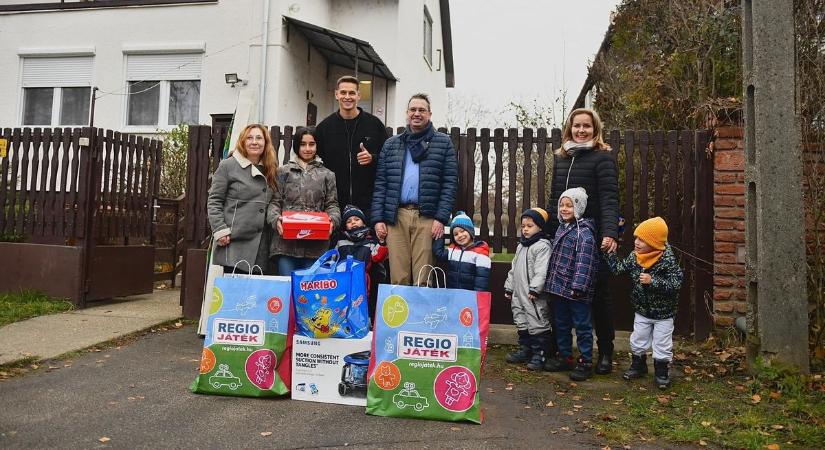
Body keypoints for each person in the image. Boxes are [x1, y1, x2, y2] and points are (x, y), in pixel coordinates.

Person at [545, 107, 620, 375]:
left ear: (595, 129)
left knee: (599, 297)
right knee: (560, 296)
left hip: (590, 240)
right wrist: (549, 231)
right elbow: (555, 199)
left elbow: (610, 198)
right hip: (564, 239)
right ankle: (562, 352)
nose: (581, 130)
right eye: (576, 126)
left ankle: (605, 353)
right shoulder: (562, 158)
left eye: (586, 126)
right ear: (569, 128)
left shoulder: (603, 158)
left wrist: (609, 232)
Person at [371, 93, 458, 286]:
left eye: (421, 110)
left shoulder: (443, 143)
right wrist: (378, 220)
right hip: (396, 217)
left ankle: (422, 317)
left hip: (427, 217)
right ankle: (401, 317)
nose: (416, 113)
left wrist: (440, 218)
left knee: (423, 276)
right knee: (398, 277)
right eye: (413, 109)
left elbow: (450, 183)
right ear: (407, 113)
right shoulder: (391, 144)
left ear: (429, 114)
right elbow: (381, 184)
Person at [604, 216, 683, 389]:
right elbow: (619, 269)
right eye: (636, 238)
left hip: (664, 313)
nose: (637, 242)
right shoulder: (635, 257)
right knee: (638, 339)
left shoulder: (667, 260)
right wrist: (610, 253)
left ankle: (661, 371)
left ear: (654, 243)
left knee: (662, 342)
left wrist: (652, 281)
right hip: (642, 310)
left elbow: (676, 283)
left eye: (642, 240)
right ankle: (638, 365)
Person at [267, 126, 341, 276]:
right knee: (288, 291)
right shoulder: (283, 172)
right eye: (302, 144)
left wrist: (333, 220)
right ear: (296, 146)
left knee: (311, 295)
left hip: (316, 247)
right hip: (286, 245)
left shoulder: (327, 175)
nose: (307, 148)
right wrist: (276, 220)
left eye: (312, 144)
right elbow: (274, 202)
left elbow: (332, 205)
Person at [543, 188, 599, 381]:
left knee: (582, 326)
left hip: (576, 291)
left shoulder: (584, 234)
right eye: (562, 205)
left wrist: (579, 287)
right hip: (558, 288)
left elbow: (585, 263)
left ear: (579, 207)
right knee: (561, 323)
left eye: (569, 205)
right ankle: (565, 355)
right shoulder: (561, 228)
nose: (564, 209)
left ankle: (585, 361)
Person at [315, 75, 390, 218]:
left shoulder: (374, 125)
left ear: (359, 95)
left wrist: (372, 158)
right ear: (336, 94)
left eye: (352, 93)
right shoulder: (324, 128)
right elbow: (315, 162)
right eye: (343, 92)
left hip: (368, 204)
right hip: (334, 204)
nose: (347, 97)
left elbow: (389, 158)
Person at [207, 124, 277, 274]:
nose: (254, 142)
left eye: (259, 138)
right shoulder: (228, 166)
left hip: (261, 245)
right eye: (249, 138)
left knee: (256, 296)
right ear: (243, 141)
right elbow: (214, 200)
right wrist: (220, 229)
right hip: (234, 241)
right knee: (235, 294)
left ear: (265, 142)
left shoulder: (271, 169)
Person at [503, 208, 553, 371]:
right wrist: (509, 287)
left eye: (529, 226)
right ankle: (526, 349)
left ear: (539, 227)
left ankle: (541, 353)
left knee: (536, 320)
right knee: (521, 319)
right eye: (523, 226)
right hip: (519, 292)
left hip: (533, 294)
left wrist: (535, 288)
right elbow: (514, 267)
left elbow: (542, 270)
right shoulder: (521, 246)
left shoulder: (542, 246)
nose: (525, 229)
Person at [335, 204, 388, 320]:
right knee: (341, 301)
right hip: (343, 279)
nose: (353, 222)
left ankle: (365, 319)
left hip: (363, 279)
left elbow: (377, 257)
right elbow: (333, 260)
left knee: (363, 300)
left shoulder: (370, 242)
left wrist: (382, 242)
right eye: (349, 221)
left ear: (363, 223)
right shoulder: (340, 242)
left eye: (357, 219)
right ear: (345, 226)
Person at [432, 211, 491, 291]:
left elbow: (482, 279)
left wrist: (477, 296)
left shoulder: (480, 252)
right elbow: (439, 254)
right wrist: (439, 237)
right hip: (452, 293)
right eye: (456, 234)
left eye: (462, 231)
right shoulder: (453, 249)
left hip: (470, 296)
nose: (460, 235)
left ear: (470, 231)